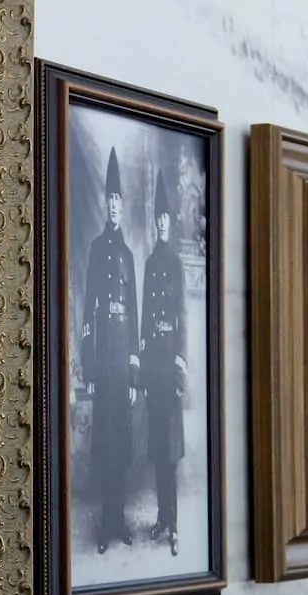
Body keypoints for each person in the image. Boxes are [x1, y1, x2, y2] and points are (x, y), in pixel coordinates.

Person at [81, 147, 140, 554]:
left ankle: (120, 523)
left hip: (124, 364)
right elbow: (87, 313)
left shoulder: (129, 256)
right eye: (110, 200)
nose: (115, 207)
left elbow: (134, 316)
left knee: (121, 443)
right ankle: (106, 525)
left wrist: (135, 373)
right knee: (103, 444)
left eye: (120, 201)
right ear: (104, 204)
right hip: (103, 363)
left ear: (124, 206)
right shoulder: (96, 250)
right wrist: (87, 367)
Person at [140, 171, 186, 557]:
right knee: (157, 449)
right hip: (152, 365)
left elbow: (182, 317)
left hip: (170, 363)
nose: (161, 225)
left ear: (171, 223)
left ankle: (175, 524)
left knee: (170, 451)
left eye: (165, 220)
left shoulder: (174, 264)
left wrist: (181, 360)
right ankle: (160, 517)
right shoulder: (151, 263)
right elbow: (143, 316)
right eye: (157, 220)